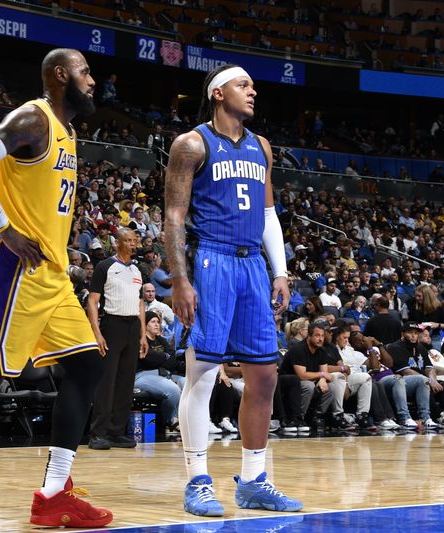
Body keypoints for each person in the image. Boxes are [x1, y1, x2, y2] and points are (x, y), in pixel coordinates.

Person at [0, 48, 112, 530]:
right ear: (60, 75)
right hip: (13, 265)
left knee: (88, 364)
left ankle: (54, 493)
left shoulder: (69, 133)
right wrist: (3, 226)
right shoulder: (35, 117)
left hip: (50, 274)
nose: (92, 80)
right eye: (85, 72)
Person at [164, 63, 303, 517]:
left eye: (253, 85)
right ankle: (197, 480)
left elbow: (267, 216)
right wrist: (180, 278)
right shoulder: (191, 143)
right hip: (211, 259)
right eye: (244, 85)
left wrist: (279, 271)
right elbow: (174, 218)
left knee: (263, 375)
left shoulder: (261, 146)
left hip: (252, 265)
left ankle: (255, 480)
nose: (253, 92)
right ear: (218, 92)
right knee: (202, 372)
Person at [86, 228, 148, 449]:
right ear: (117, 243)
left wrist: (143, 334)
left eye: (135, 240)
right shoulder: (105, 267)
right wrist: (97, 332)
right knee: (107, 381)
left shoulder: (137, 269)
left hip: (132, 326)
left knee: (126, 381)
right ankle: (98, 433)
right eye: (129, 240)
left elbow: (141, 303)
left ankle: (116, 431)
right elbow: (92, 301)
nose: (133, 244)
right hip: (112, 324)